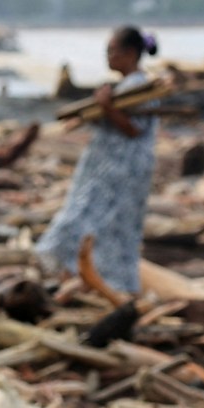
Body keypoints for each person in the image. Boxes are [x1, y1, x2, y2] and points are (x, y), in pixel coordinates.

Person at [36, 26, 160, 295]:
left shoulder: (140, 87)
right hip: (107, 169)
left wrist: (106, 107)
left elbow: (134, 129)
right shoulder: (126, 87)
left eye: (112, 51)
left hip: (121, 171)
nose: (108, 56)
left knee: (99, 222)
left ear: (130, 54)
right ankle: (81, 277)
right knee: (97, 221)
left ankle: (106, 282)